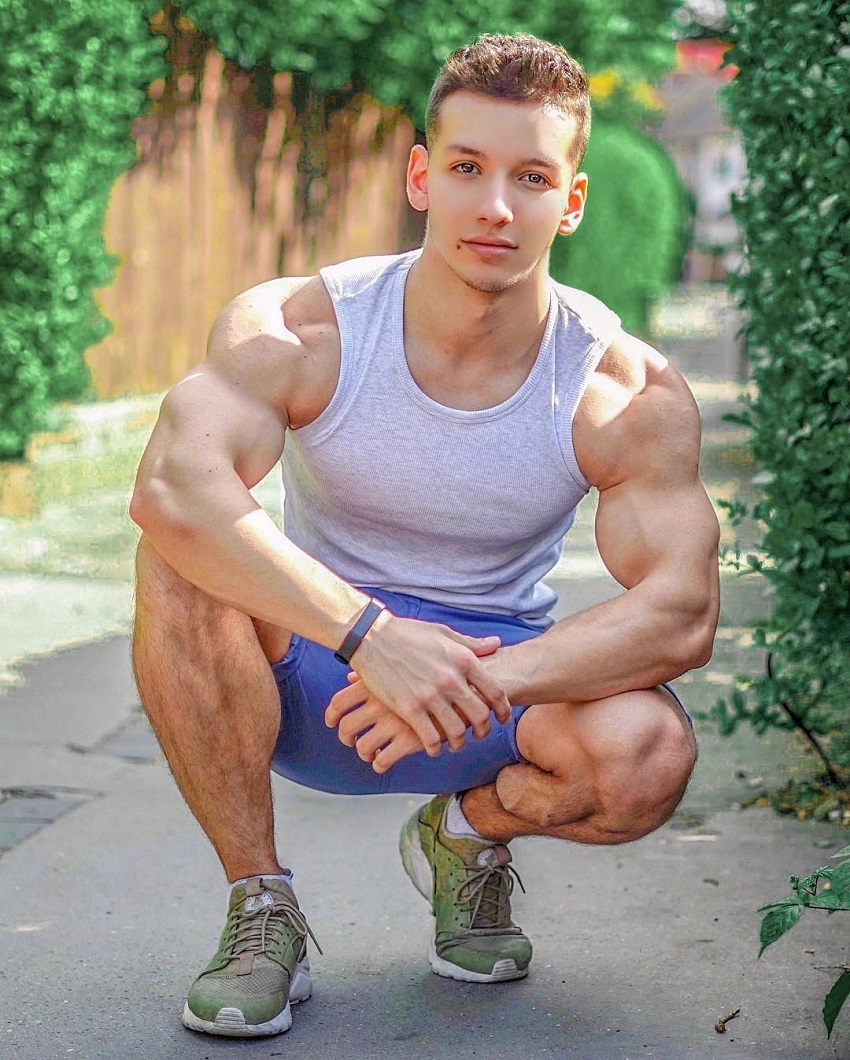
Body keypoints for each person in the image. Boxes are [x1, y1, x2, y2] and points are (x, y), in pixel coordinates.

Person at [130, 32, 720, 1039]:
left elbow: (682, 611)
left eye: (531, 176)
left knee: (646, 756)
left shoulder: (619, 388)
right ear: (421, 178)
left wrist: (480, 681)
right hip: (324, 677)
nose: (495, 206)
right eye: (466, 169)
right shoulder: (302, 329)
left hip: (495, 687)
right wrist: (372, 636)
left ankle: (463, 836)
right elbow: (171, 489)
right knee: (178, 565)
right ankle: (259, 905)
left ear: (568, 202)